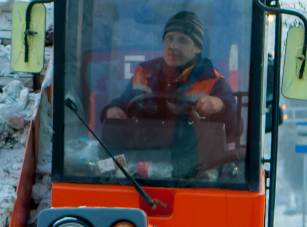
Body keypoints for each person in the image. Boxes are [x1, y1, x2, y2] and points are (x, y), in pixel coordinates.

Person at [101, 10, 240, 140]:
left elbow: (235, 130)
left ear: (197, 48)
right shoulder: (144, 72)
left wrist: (220, 106)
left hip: (193, 159)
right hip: (143, 154)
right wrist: (114, 109)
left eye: (182, 40)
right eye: (169, 38)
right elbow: (123, 102)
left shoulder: (213, 81)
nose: (173, 45)